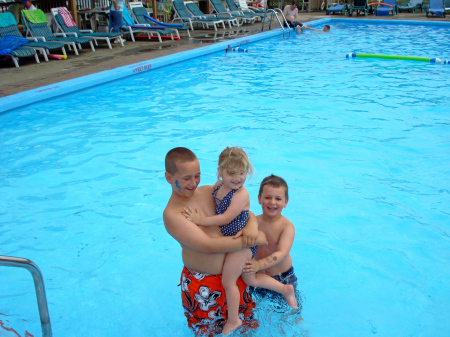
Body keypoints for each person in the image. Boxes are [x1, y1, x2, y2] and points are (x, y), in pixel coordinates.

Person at [183, 147, 298, 335]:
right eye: (231, 173)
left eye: (242, 173)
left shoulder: (241, 194)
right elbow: (244, 213)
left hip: (254, 255)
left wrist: (200, 221)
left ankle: (234, 320)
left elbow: (225, 218)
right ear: (220, 172)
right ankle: (284, 290)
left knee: (230, 282)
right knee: (248, 278)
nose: (237, 178)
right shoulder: (219, 186)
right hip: (249, 260)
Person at [163, 147, 268, 336]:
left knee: (245, 329)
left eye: (197, 175)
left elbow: (240, 212)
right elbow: (208, 246)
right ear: (169, 177)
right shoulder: (172, 214)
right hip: (203, 288)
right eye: (186, 178)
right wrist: (255, 240)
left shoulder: (208, 191)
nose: (193, 182)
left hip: (234, 276)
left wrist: (252, 225)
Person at [243, 175, 300, 309]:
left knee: (290, 310)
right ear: (259, 199)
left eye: (278, 199)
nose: (272, 202)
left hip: (282, 278)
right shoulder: (253, 222)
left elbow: (282, 253)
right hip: (258, 277)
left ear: (286, 202)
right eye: (267, 197)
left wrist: (259, 264)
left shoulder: (287, 227)